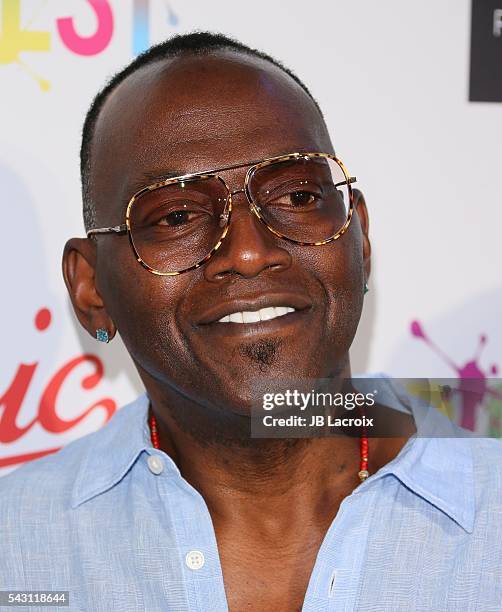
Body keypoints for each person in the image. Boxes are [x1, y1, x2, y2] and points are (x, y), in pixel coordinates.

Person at [1, 32, 501, 612]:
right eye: (178, 215)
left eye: (297, 197)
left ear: (358, 237)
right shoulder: (17, 548)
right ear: (91, 289)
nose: (247, 251)